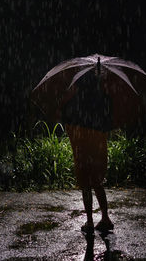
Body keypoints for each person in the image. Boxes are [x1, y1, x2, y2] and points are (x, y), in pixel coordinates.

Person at [61, 60, 114, 233]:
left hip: (82, 142)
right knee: (97, 182)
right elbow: (108, 120)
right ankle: (105, 217)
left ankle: (90, 221)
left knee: (85, 183)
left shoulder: (76, 99)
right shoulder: (103, 97)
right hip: (97, 142)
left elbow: (65, 114)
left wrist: (67, 99)